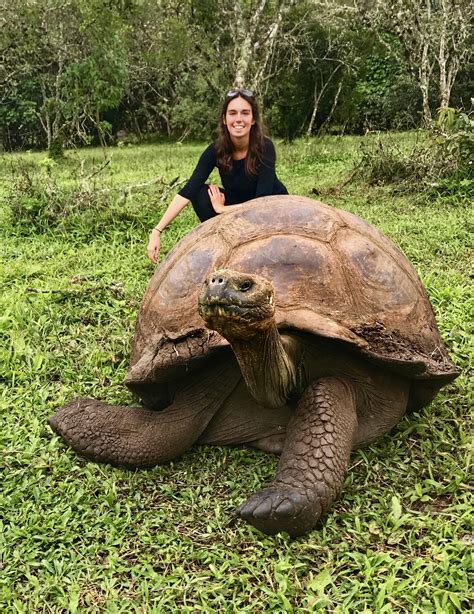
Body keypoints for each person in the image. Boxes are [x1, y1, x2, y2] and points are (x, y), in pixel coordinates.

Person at [147, 88, 288, 263]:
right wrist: (157, 230)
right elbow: (188, 191)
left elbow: (261, 204)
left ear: (253, 120)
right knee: (199, 192)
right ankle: (221, 245)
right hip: (238, 207)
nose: (238, 119)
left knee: (266, 213)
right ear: (224, 119)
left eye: (245, 113)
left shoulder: (265, 147)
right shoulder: (215, 150)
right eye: (232, 113)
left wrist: (223, 210)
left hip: (271, 210)